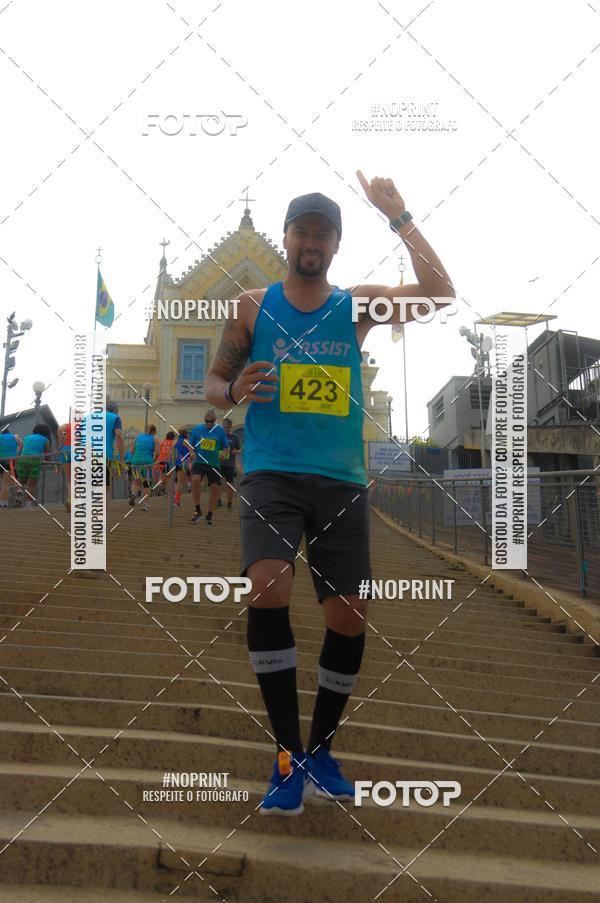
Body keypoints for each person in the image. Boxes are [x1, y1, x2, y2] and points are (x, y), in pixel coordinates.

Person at [204, 174, 455, 815]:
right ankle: (285, 758)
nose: (311, 241)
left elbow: (439, 293)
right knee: (269, 584)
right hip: (271, 471)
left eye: (323, 233)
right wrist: (234, 393)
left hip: (340, 479)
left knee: (349, 616)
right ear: (286, 238)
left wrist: (399, 215)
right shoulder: (252, 307)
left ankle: (320, 751)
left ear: (335, 245)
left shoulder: (355, 305)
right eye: (302, 230)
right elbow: (213, 383)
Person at [189, 409, 228, 525]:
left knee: (215, 488)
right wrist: (191, 452)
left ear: (215, 421)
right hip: (199, 461)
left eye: (211, 421)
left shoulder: (220, 431)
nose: (209, 423)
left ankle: (210, 514)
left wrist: (224, 455)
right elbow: (191, 445)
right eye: (207, 421)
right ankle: (197, 510)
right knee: (195, 480)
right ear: (204, 419)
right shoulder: (197, 429)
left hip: (213, 463)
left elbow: (226, 448)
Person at [16, 424, 51, 508]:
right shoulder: (45, 439)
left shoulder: (26, 438)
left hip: (23, 459)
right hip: (35, 459)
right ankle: (28, 505)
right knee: (31, 485)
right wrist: (48, 462)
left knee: (20, 482)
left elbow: (19, 452)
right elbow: (48, 453)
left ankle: (20, 491)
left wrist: (16, 463)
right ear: (46, 433)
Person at [130, 424, 159, 510]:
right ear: (154, 431)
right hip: (147, 462)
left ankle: (133, 494)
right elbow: (157, 452)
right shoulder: (154, 439)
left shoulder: (137, 438)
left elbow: (131, 451)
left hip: (135, 461)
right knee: (147, 483)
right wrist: (154, 459)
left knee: (136, 482)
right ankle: (145, 504)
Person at [218, 417, 241, 510]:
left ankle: (229, 503)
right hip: (219, 463)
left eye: (227, 427)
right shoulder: (219, 436)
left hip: (230, 465)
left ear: (231, 427)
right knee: (217, 483)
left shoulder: (234, 437)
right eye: (224, 427)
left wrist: (237, 452)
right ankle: (218, 501)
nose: (226, 429)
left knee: (230, 484)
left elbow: (239, 449)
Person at [0, 426, 23, 509]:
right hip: (10, 460)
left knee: (3, 482)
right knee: (6, 484)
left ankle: (3, 503)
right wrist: (17, 454)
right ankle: (3, 504)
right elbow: (21, 443)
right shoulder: (14, 436)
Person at [173, 428, 192, 506]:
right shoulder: (187, 441)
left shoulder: (175, 442)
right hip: (185, 463)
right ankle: (177, 499)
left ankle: (177, 497)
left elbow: (171, 452)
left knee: (178, 481)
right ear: (186, 434)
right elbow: (192, 451)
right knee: (182, 481)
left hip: (176, 463)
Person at [57, 420, 72, 512]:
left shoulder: (67, 425)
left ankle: (70, 499)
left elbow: (59, 429)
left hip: (65, 450)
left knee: (69, 478)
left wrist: (61, 443)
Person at [157, 430, 176, 495]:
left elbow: (159, 451)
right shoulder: (173, 442)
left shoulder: (162, 442)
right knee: (168, 476)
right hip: (168, 461)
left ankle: (160, 487)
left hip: (161, 460)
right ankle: (164, 489)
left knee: (161, 475)